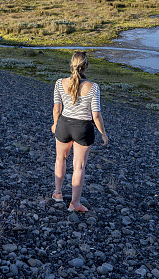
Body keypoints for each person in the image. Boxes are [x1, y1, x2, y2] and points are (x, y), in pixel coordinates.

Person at [51, 51, 108, 212]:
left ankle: (58, 193)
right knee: (79, 166)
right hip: (83, 128)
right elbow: (96, 115)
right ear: (87, 66)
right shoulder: (93, 87)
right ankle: (75, 204)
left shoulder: (59, 83)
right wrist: (103, 133)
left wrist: (55, 124)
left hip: (63, 125)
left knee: (60, 160)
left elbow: (57, 109)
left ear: (71, 65)